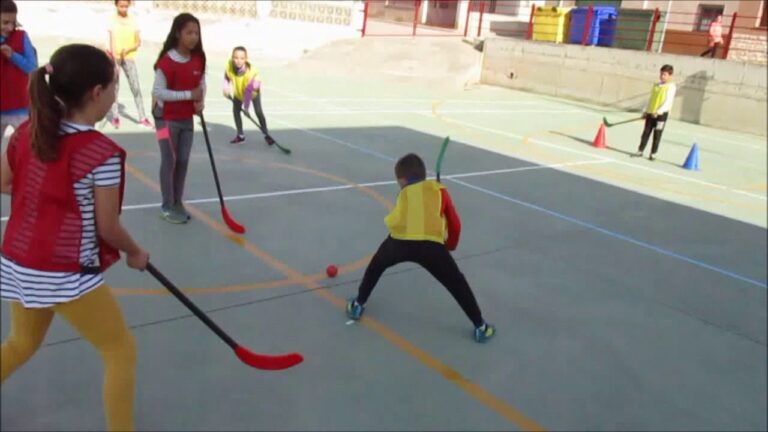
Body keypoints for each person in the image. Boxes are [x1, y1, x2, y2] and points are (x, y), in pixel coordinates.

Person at [0, 43, 150, 431]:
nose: (114, 96)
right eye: (114, 88)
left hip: (18, 264)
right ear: (96, 94)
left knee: (21, 344)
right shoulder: (100, 153)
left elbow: (5, 182)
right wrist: (135, 252)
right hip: (64, 273)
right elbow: (108, 227)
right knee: (120, 350)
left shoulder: (29, 131)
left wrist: (44, 190)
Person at [346, 153, 496, 343]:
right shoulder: (439, 191)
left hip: (399, 242)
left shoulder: (404, 193)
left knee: (376, 266)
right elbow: (455, 224)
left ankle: (358, 304)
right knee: (457, 283)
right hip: (431, 247)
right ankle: (480, 326)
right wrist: (450, 245)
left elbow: (396, 218)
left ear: (402, 180)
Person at [151, 13, 206, 224]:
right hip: (164, 119)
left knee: (183, 160)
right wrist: (188, 95)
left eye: (196, 33)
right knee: (169, 160)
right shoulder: (166, 62)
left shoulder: (199, 60)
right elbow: (159, 92)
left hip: (186, 119)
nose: (194, 37)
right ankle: (166, 205)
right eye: (189, 32)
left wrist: (200, 101)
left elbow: (200, 84)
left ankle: (177, 200)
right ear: (177, 33)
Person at [107, 0, 152, 129]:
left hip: (129, 57)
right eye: (121, 6)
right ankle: (115, 117)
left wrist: (126, 50)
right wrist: (114, 58)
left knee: (135, 87)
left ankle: (142, 117)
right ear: (116, 5)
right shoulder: (112, 21)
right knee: (114, 88)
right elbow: (112, 40)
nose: (124, 8)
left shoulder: (133, 20)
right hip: (115, 58)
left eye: (126, 6)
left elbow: (138, 42)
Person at [0, 0, 37, 143]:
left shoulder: (21, 37)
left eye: (13, 22)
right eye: (5, 22)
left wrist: (13, 56)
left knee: (28, 148)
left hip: (20, 107)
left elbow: (33, 68)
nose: (10, 27)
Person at [223, 46, 274, 145]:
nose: (238, 61)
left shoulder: (250, 73)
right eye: (236, 57)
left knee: (259, 112)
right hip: (238, 93)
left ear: (246, 59)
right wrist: (225, 87)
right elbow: (227, 75)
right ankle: (240, 136)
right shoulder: (229, 65)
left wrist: (246, 108)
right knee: (236, 111)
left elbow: (248, 92)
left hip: (253, 93)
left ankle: (266, 134)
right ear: (232, 57)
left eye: (242, 58)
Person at [632, 64, 676, 161]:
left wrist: (659, 111)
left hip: (661, 115)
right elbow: (650, 99)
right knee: (646, 132)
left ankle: (653, 153)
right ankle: (640, 151)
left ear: (670, 75)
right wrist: (645, 111)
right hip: (651, 113)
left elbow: (668, 101)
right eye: (661, 74)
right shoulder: (656, 85)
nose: (662, 76)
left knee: (657, 134)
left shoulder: (671, 87)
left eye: (664, 74)